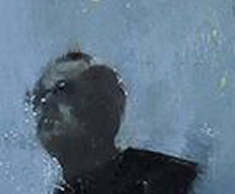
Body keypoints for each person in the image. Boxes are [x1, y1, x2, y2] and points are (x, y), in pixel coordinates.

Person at [30, 51, 198, 194]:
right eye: (38, 96)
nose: (45, 102)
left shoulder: (170, 178)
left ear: (105, 107)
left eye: (63, 90)